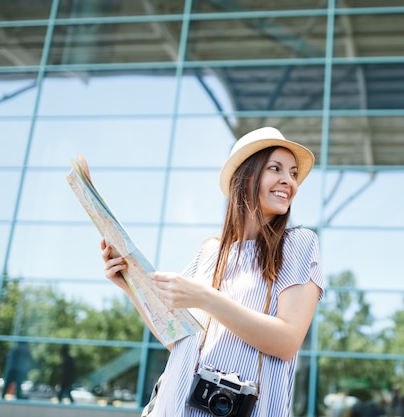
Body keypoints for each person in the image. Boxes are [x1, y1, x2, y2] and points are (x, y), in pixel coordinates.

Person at [101, 126, 324, 417]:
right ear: (245, 177)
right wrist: (128, 285)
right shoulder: (209, 252)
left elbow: (286, 342)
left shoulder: (298, 243)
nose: (288, 181)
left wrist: (206, 298)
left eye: (293, 173)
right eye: (275, 168)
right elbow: (177, 337)